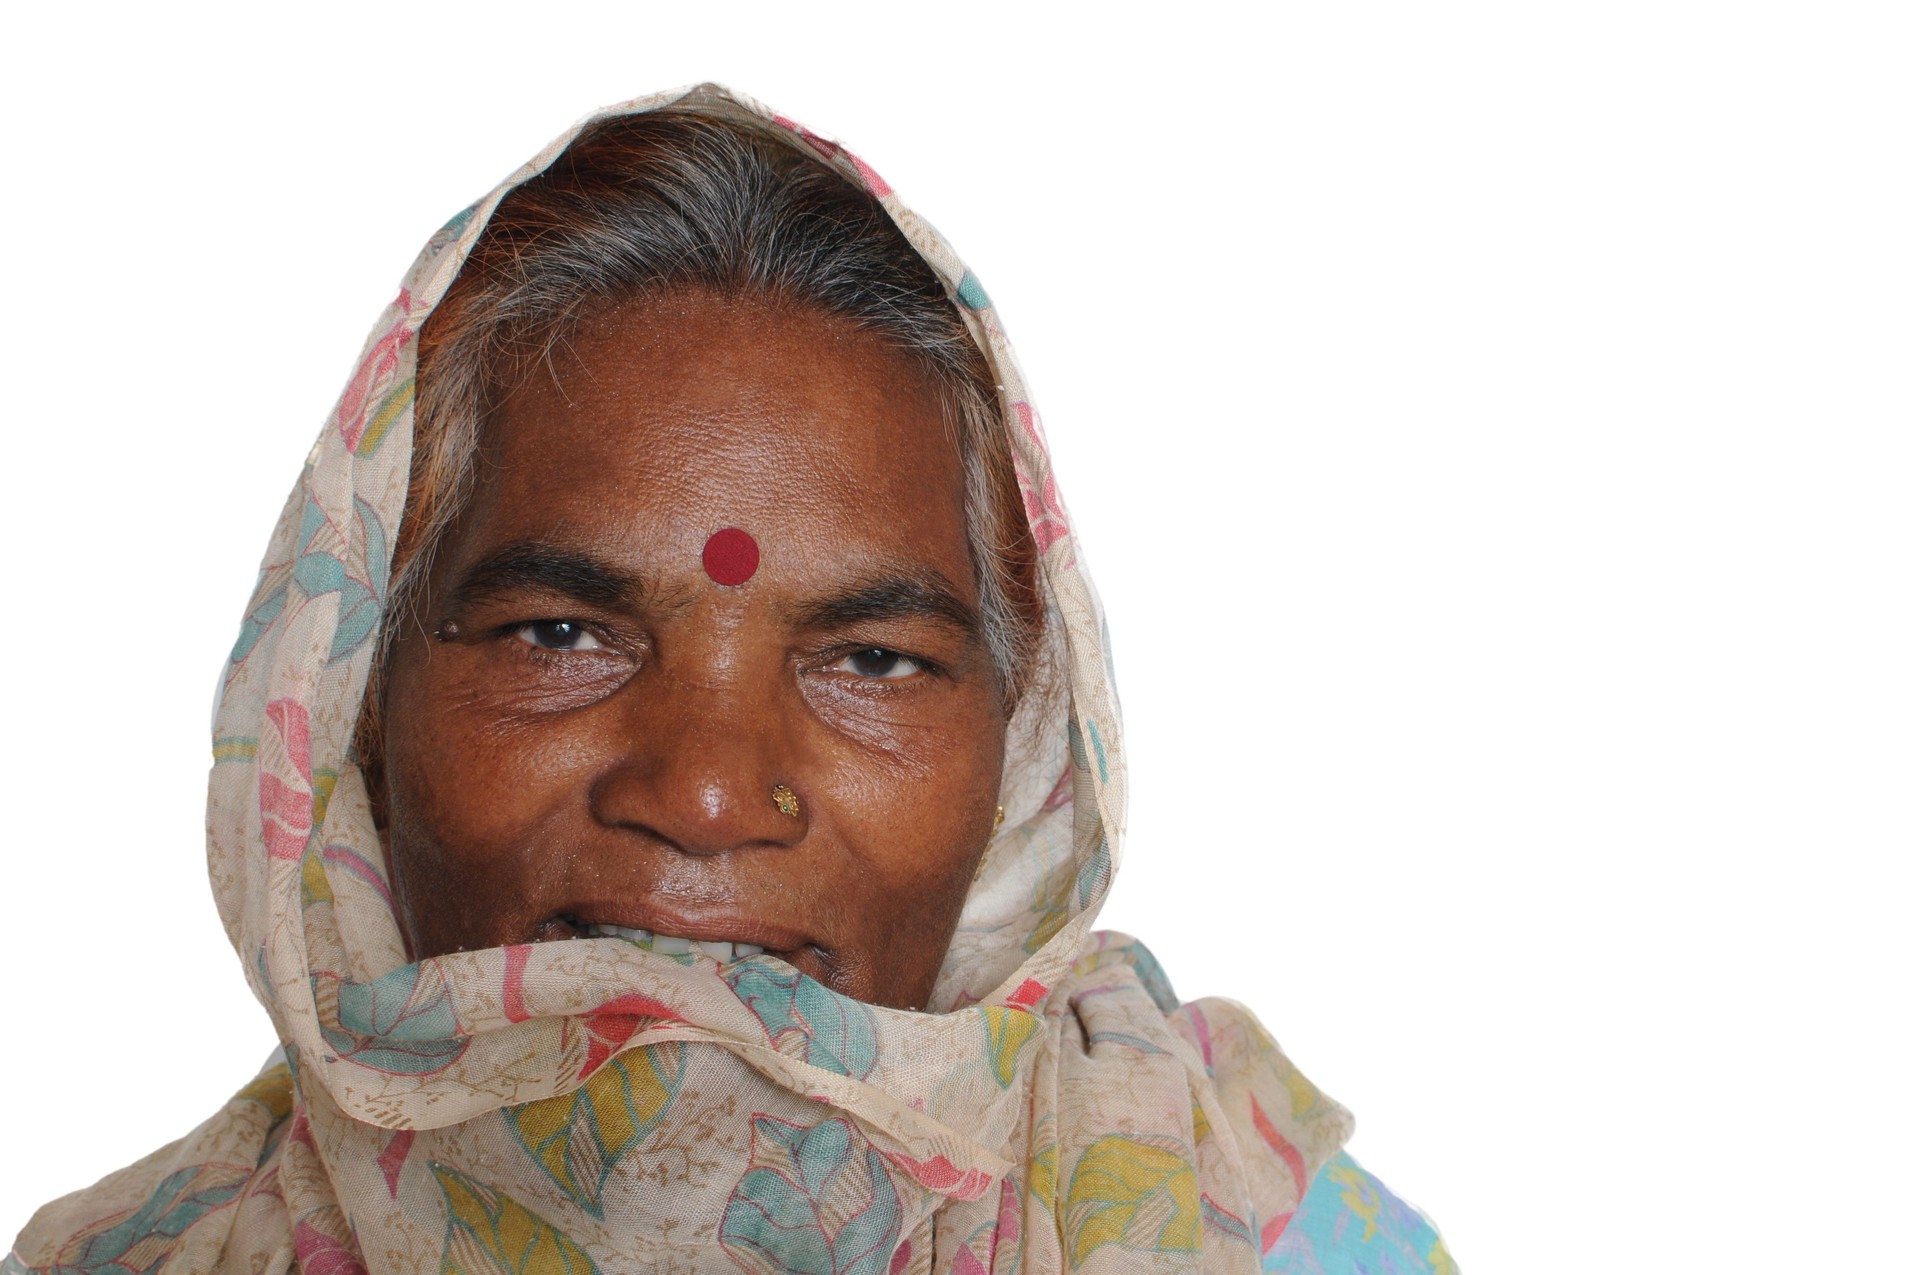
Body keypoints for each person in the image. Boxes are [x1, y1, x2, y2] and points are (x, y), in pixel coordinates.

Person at [6, 85, 1454, 1274]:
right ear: (351, 710)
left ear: (1017, 760)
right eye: (558, 636)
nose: (703, 791)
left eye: (871, 661)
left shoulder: (1263, 1240)